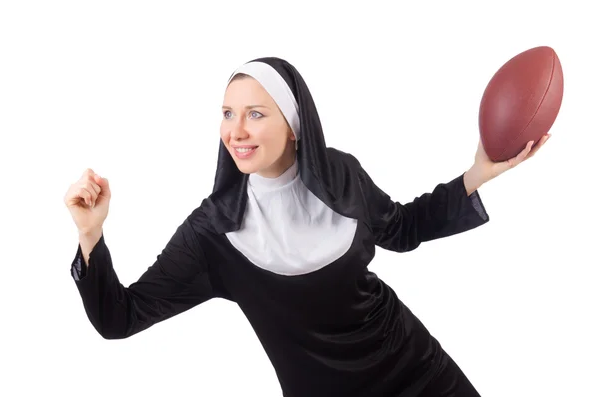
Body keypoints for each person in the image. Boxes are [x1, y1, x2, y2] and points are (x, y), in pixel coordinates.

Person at [64, 57, 549, 397]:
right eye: (228, 114)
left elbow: (402, 229)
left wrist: (478, 172)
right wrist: (91, 236)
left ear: (293, 125)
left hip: (414, 368)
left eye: (255, 114)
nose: (236, 131)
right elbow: (119, 318)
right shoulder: (212, 231)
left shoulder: (342, 176)